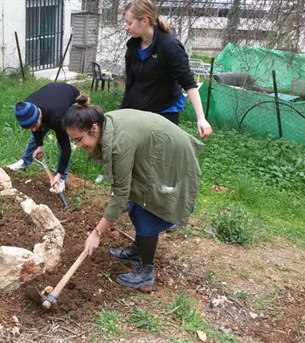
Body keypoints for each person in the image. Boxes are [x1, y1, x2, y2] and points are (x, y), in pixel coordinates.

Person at [62, 96, 203, 288]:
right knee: (137, 199)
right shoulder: (105, 126)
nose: (79, 146)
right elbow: (124, 186)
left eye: (79, 140)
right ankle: (138, 250)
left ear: (93, 129)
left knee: (147, 209)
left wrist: (97, 233)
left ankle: (146, 270)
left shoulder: (119, 142)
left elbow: (121, 192)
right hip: (155, 149)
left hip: (171, 156)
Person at [120, 0, 212, 139]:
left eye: (129, 23)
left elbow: (189, 84)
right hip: (140, 111)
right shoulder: (133, 48)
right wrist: (122, 114)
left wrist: (201, 118)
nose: (126, 27)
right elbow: (130, 85)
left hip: (165, 111)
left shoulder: (169, 46)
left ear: (144, 21)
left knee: (160, 157)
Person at [7, 82, 80, 192]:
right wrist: (39, 146)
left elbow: (66, 148)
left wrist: (59, 174)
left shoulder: (59, 118)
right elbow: (35, 128)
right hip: (51, 97)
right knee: (37, 131)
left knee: (62, 143)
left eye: (34, 125)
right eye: (29, 127)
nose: (33, 130)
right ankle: (25, 161)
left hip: (72, 98)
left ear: (39, 115)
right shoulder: (27, 107)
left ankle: (61, 178)